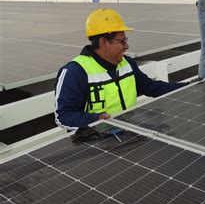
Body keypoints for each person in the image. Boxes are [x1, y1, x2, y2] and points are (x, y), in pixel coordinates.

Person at [54, 8, 187, 132]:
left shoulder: (127, 63)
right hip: (95, 140)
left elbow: (151, 87)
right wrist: (96, 119)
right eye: (122, 41)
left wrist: (187, 87)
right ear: (103, 43)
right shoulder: (75, 71)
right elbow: (64, 117)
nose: (127, 46)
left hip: (128, 131)